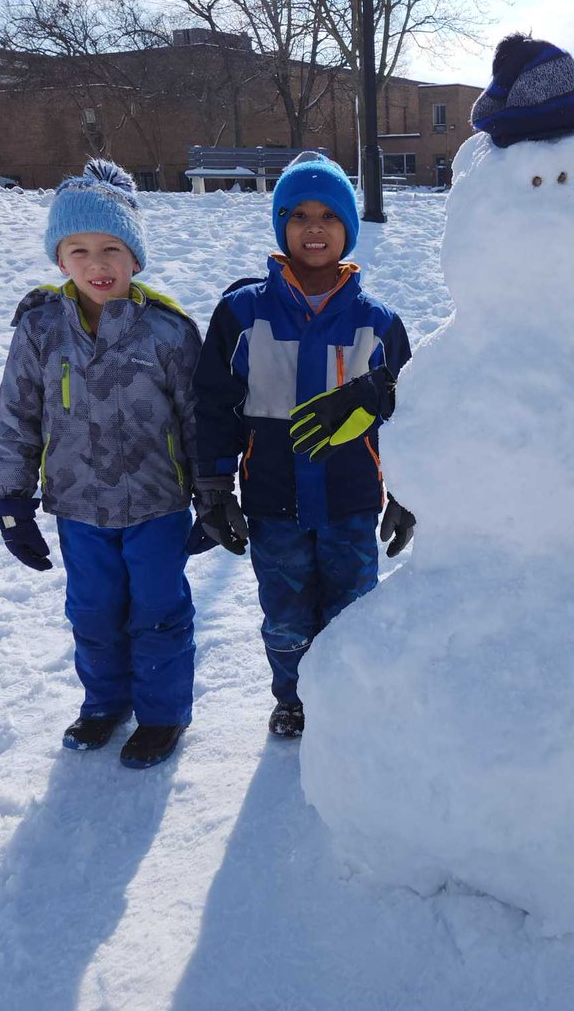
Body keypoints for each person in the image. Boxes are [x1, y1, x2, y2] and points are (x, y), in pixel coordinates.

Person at [0, 159, 203, 767]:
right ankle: (104, 703)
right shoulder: (38, 329)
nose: (96, 264)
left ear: (135, 257)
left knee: (159, 611)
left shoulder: (168, 331)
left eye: (112, 248)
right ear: (60, 260)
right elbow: (17, 417)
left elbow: (197, 416)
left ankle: (162, 715)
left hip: (157, 503)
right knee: (93, 610)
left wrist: (214, 494)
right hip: (79, 506)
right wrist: (11, 498)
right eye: (78, 250)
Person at [191, 153, 411, 738]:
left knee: (354, 610)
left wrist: (413, 491)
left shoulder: (379, 323)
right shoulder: (242, 314)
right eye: (299, 215)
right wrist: (213, 487)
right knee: (285, 617)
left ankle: (352, 698)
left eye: (329, 216)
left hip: (351, 499)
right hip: (273, 501)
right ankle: (293, 698)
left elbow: (412, 416)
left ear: (348, 229)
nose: (314, 228)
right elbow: (213, 404)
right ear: (281, 226)